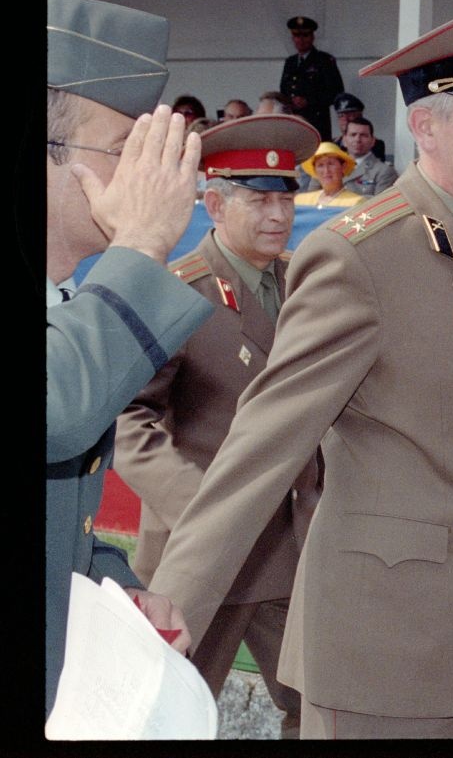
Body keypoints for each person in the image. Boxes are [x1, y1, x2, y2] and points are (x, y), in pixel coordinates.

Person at [146, 0, 453, 739]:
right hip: (388, 652)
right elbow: (265, 438)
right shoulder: (360, 255)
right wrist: (174, 594)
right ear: (426, 125)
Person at [113, 113, 322, 738]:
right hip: (201, 555)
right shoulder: (178, 295)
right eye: (259, 199)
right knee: (169, 712)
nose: (278, 216)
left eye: (286, 199)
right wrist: (205, 511)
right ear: (212, 204)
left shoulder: (304, 286)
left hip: (292, 549)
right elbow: (129, 422)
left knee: (319, 709)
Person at [45, 0, 211, 717]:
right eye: (124, 150)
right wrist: (139, 245)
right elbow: (56, 409)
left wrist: (113, 587)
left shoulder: (68, 297)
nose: (152, 177)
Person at [278, 15, 343, 141]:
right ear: (292, 38)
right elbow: (283, 90)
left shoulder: (324, 60)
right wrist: (290, 101)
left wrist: (309, 101)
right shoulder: (290, 62)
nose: (301, 40)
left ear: (312, 37)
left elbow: (336, 92)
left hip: (317, 122)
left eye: (305, 36)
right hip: (293, 121)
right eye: (297, 36)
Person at [294, 141, 365, 209]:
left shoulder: (356, 202)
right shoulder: (300, 201)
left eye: (331, 164)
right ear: (315, 170)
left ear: (343, 167)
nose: (326, 170)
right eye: (320, 165)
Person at [342, 116, 399, 197]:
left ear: (373, 141)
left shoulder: (384, 171)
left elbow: (381, 205)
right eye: (353, 135)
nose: (357, 139)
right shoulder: (332, 167)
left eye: (363, 135)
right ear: (344, 140)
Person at [332, 92, 387, 160]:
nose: (345, 120)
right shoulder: (332, 144)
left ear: (359, 117)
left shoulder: (373, 144)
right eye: (341, 116)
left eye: (349, 116)